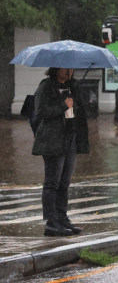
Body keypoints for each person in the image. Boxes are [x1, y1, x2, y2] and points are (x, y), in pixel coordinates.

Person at [32, 67, 89, 236]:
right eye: (66, 68)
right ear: (56, 69)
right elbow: (41, 111)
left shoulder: (73, 86)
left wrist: (77, 98)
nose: (69, 71)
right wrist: (63, 105)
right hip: (52, 140)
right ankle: (51, 222)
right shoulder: (46, 86)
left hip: (70, 138)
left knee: (64, 182)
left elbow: (81, 110)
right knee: (52, 182)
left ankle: (62, 218)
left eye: (71, 69)